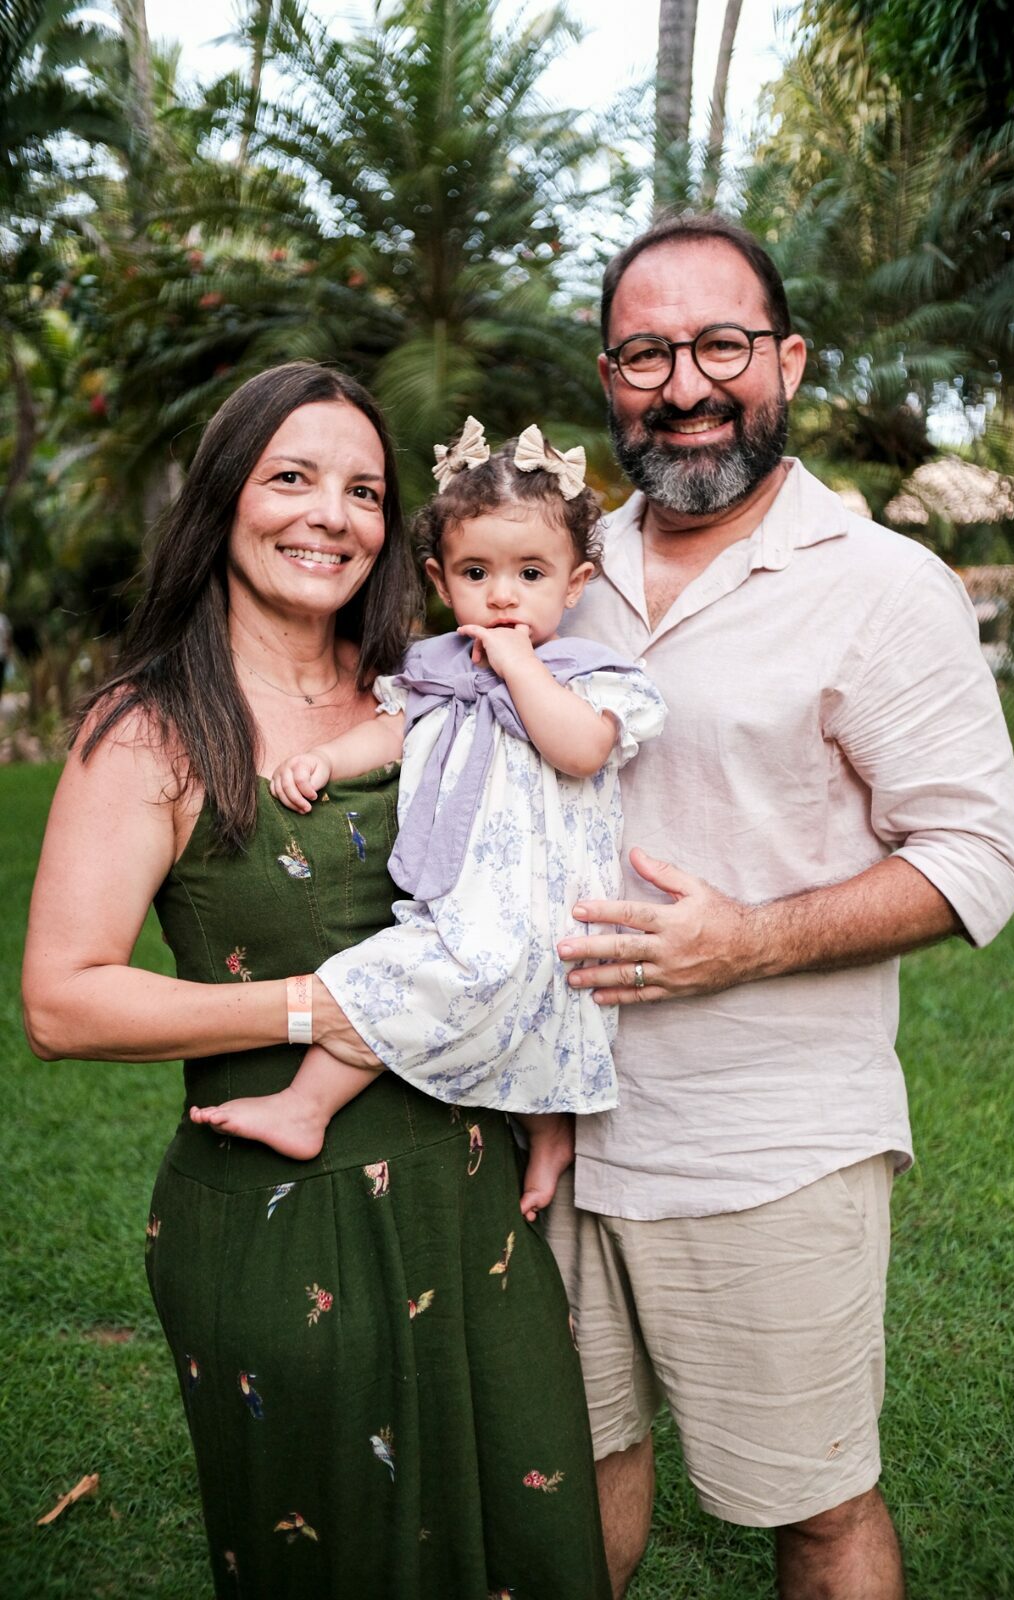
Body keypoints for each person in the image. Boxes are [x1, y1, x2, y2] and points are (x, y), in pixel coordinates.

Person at [22, 363, 612, 1599]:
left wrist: (547, 1087)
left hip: (474, 1193)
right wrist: (314, 1009)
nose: (328, 516)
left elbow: (535, 878)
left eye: (362, 490)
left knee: (535, 1544)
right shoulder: (151, 728)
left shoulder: (433, 683)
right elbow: (63, 1000)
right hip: (286, 1218)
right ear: (225, 497)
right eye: (290, 476)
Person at [541, 216, 1014, 1600]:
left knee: (811, 1504)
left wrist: (746, 941)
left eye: (720, 345)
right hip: (546, 1134)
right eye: (646, 354)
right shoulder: (556, 574)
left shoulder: (878, 588)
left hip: (763, 1144)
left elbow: (976, 854)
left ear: (788, 360)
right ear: (608, 377)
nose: (684, 385)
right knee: (563, 1474)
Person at [190, 419, 666, 1223]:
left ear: (574, 583)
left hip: (545, 904)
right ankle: (542, 1135)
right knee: (458, 987)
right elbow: (390, 732)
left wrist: (517, 668)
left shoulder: (589, 677)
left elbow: (581, 750)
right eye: (477, 573)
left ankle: (308, 1107)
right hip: (462, 895)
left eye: (530, 573)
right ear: (441, 580)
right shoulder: (432, 671)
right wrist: (326, 759)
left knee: (412, 983)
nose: (502, 595)